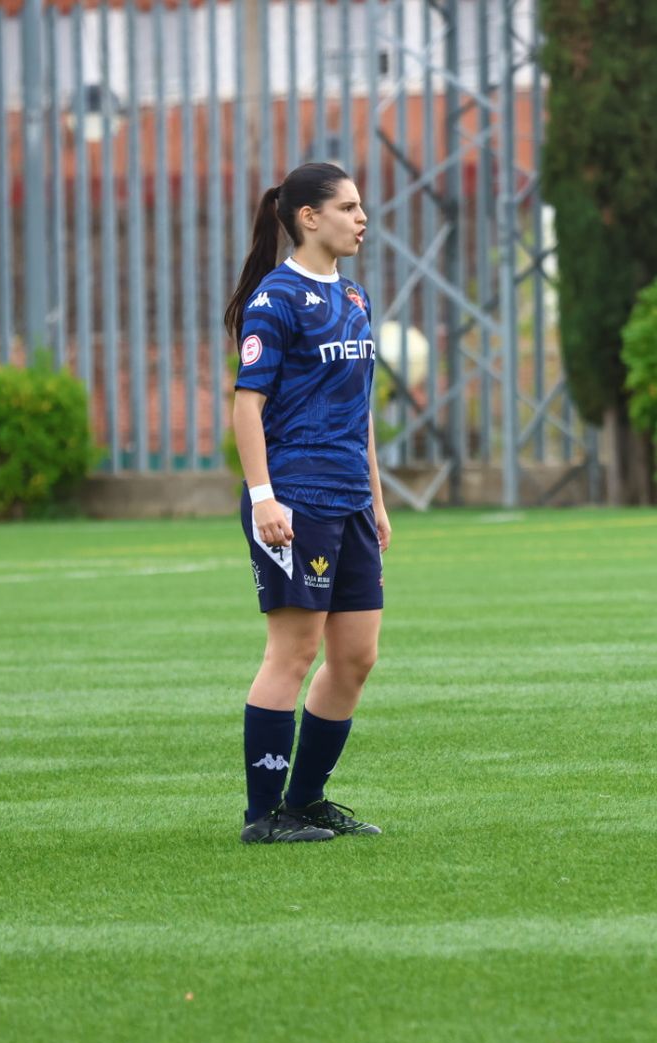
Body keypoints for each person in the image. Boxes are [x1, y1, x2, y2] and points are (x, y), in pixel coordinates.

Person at [222, 162, 390, 843]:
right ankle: (263, 816)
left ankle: (307, 800)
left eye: (362, 207)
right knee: (293, 653)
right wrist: (264, 497)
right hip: (294, 501)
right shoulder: (276, 299)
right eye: (349, 207)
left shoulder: (354, 299)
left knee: (356, 655)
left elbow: (361, 411)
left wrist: (376, 499)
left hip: (348, 501)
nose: (362, 218)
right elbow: (247, 406)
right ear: (308, 218)